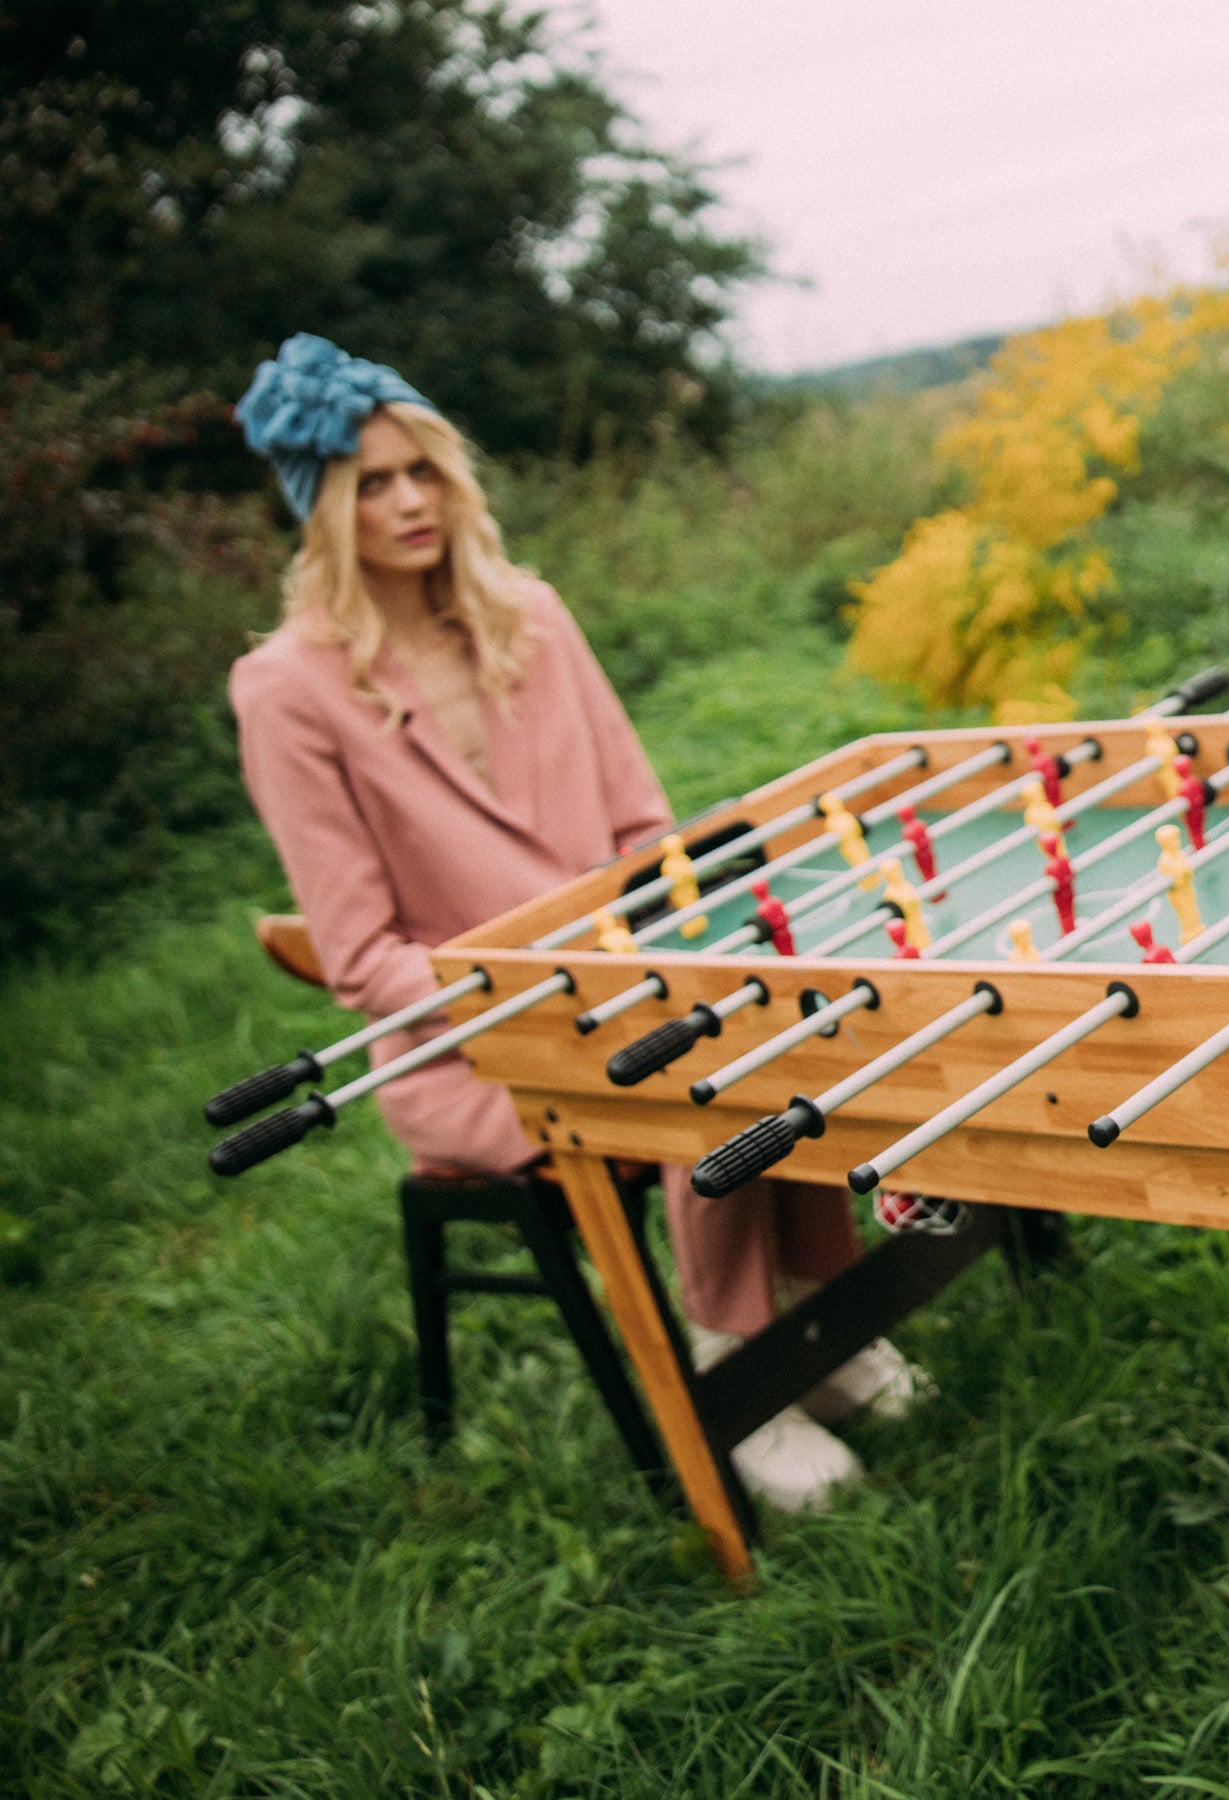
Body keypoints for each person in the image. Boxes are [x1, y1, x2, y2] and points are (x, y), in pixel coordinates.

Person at [228, 334, 922, 1512]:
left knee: (773, 1030)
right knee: (692, 1079)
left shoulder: (532, 617)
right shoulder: (288, 689)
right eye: (371, 484)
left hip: (631, 984)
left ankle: (821, 1319)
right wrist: (550, 1001)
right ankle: (735, 1362)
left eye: (423, 471)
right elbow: (360, 961)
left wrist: (647, 957)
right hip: (473, 1049)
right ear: (320, 509)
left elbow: (645, 833)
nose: (407, 503)